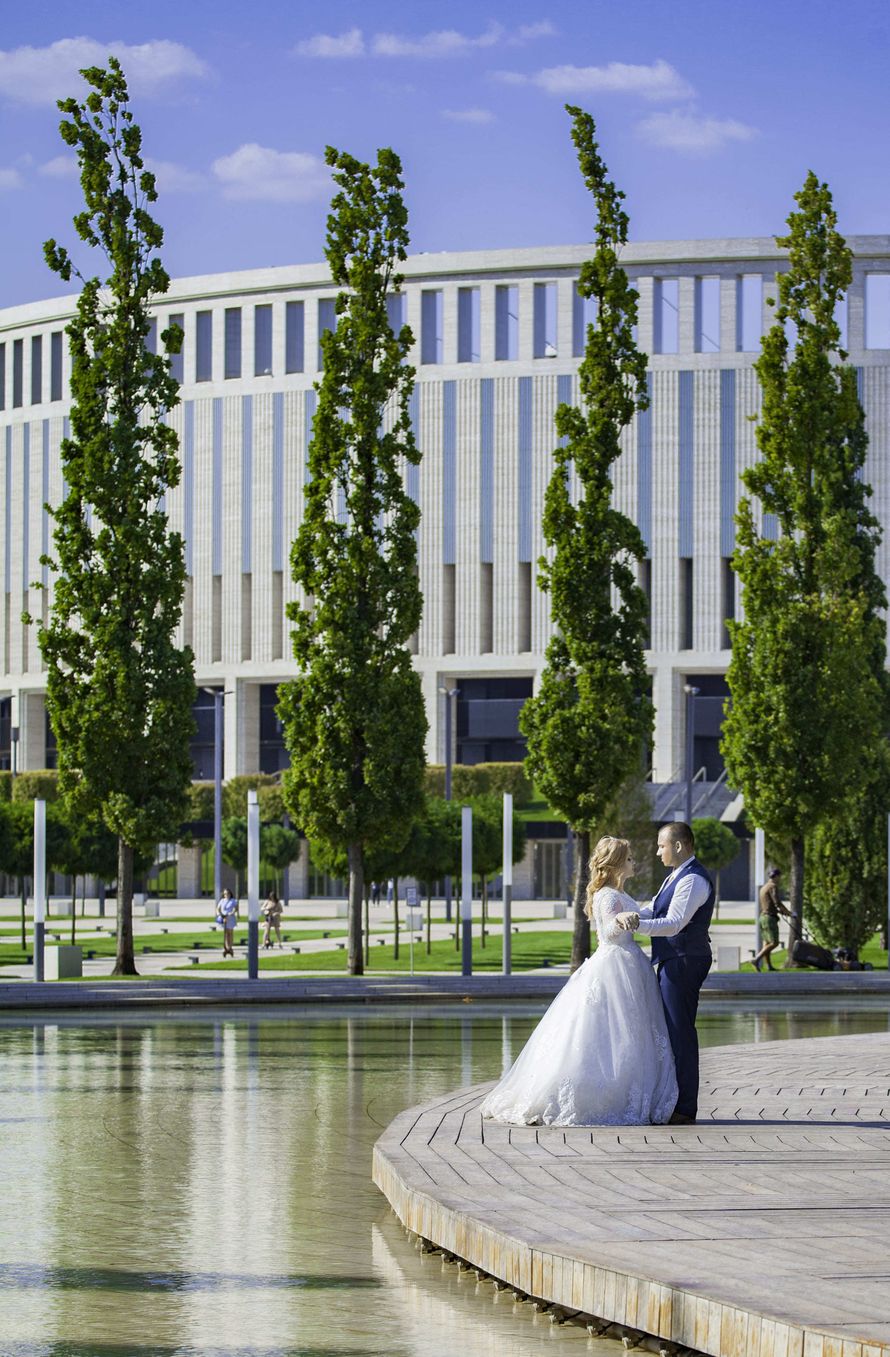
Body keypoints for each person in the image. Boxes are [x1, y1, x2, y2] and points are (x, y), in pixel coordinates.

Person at [480, 836, 677, 1126]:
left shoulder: (617, 892)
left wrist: (636, 915)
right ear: (617, 864)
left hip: (630, 964)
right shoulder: (608, 895)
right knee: (613, 1030)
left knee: (630, 1030)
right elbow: (608, 930)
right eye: (630, 858)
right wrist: (621, 920)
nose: (635, 862)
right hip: (616, 964)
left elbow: (634, 914)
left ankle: (631, 1086)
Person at [614, 821, 715, 1126]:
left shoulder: (693, 880)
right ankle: (673, 1101)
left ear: (679, 846)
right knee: (672, 1031)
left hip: (685, 960)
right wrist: (633, 914)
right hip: (674, 959)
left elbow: (674, 923)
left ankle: (685, 1108)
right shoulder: (676, 876)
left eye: (662, 845)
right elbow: (656, 910)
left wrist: (636, 925)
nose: (658, 852)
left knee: (680, 1032)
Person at [749, 868, 790, 972]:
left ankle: (769, 966)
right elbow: (777, 903)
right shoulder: (773, 887)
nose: (779, 879)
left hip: (763, 917)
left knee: (767, 942)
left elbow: (769, 905)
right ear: (776, 876)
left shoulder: (764, 887)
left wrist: (780, 912)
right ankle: (756, 959)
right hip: (769, 918)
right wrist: (789, 913)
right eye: (779, 876)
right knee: (774, 943)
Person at [217, 888, 239, 958]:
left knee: (230, 932)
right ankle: (227, 947)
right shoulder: (222, 901)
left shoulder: (233, 901)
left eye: (228, 893)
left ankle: (230, 946)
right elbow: (218, 908)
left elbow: (235, 908)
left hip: (230, 918)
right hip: (224, 918)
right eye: (225, 894)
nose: (226, 895)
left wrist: (231, 913)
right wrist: (219, 914)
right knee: (226, 933)